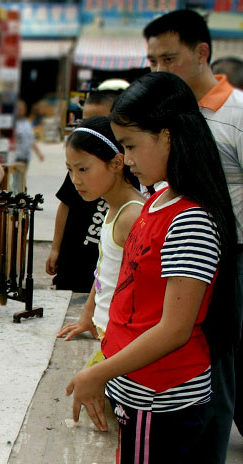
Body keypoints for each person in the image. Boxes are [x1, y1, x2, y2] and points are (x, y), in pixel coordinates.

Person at [66, 71, 237, 464]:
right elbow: (128, 295)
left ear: (167, 136)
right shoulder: (159, 197)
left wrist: (96, 372)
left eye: (131, 144)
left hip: (159, 399)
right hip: (135, 384)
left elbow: (175, 328)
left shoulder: (190, 220)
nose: (125, 158)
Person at [145, 9, 243, 464]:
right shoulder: (169, 110)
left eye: (169, 58)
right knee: (181, 358)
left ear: (202, 53)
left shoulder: (237, 113)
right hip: (173, 254)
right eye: (152, 59)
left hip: (230, 258)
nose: (159, 68)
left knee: (216, 369)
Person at [56, 117, 143, 347]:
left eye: (83, 169)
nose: (75, 180)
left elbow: (141, 293)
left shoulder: (132, 216)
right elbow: (104, 271)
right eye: (70, 170)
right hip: (107, 334)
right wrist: (88, 317)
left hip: (123, 341)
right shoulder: (112, 207)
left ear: (116, 163)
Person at [46, 89, 124, 292]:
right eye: (85, 122)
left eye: (99, 121)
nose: (89, 131)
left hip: (100, 272)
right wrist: (56, 248)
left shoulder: (122, 170)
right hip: (72, 260)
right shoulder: (79, 166)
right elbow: (65, 204)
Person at [14, 99, 45, 187]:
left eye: (22, 108)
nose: (20, 110)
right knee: (16, 179)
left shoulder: (27, 123)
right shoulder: (13, 124)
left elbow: (31, 140)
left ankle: (21, 195)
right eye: (18, 108)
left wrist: (39, 153)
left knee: (22, 179)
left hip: (25, 157)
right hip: (15, 157)